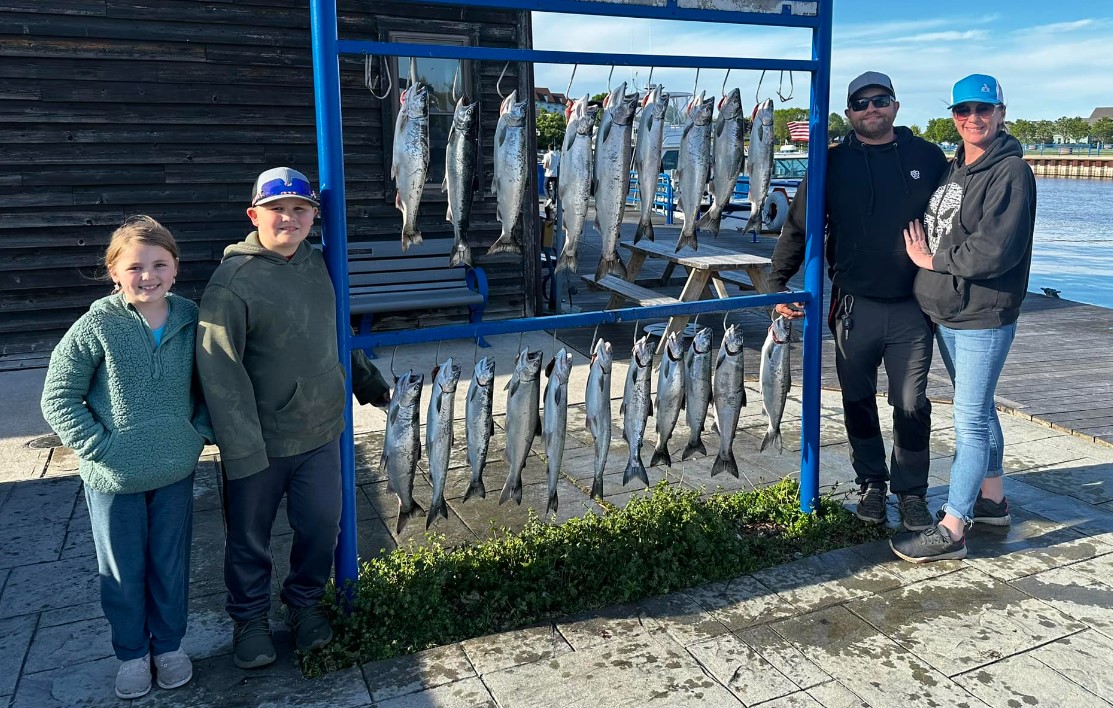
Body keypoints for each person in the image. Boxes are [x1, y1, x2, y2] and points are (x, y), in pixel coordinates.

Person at [195, 167, 391, 668]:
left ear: (313, 216)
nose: (289, 217)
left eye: (300, 209)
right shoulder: (233, 282)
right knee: (249, 537)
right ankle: (250, 618)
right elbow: (219, 371)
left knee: (323, 525)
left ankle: (304, 604)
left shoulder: (320, 264)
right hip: (259, 443)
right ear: (254, 214)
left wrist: (367, 382)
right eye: (277, 209)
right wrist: (240, 449)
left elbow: (333, 336)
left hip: (322, 432)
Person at [768, 71, 948, 530]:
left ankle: (911, 493)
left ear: (896, 105)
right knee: (858, 398)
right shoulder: (830, 163)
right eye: (862, 103)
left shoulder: (928, 158)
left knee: (911, 403)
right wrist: (776, 282)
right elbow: (799, 226)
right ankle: (871, 483)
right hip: (853, 306)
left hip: (913, 306)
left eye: (881, 100)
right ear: (849, 113)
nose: (872, 109)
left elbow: (957, 222)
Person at [41, 216, 209, 699]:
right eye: (135, 266)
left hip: (175, 469)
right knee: (122, 570)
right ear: (114, 272)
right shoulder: (97, 325)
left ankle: (170, 647)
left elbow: (209, 382)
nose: (148, 275)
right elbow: (58, 397)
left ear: (176, 269)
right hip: (115, 478)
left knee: (170, 564)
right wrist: (99, 447)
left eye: (160, 264)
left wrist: (196, 430)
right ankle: (133, 653)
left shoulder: (189, 317)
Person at [891, 74, 1036, 562]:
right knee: (982, 408)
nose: (972, 118)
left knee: (969, 419)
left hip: (982, 316)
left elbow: (996, 250)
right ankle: (992, 500)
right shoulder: (957, 168)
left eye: (983, 109)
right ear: (953, 116)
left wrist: (931, 262)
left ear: (1000, 113)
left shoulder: (1011, 172)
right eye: (962, 111)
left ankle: (953, 526)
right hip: (948, 312)